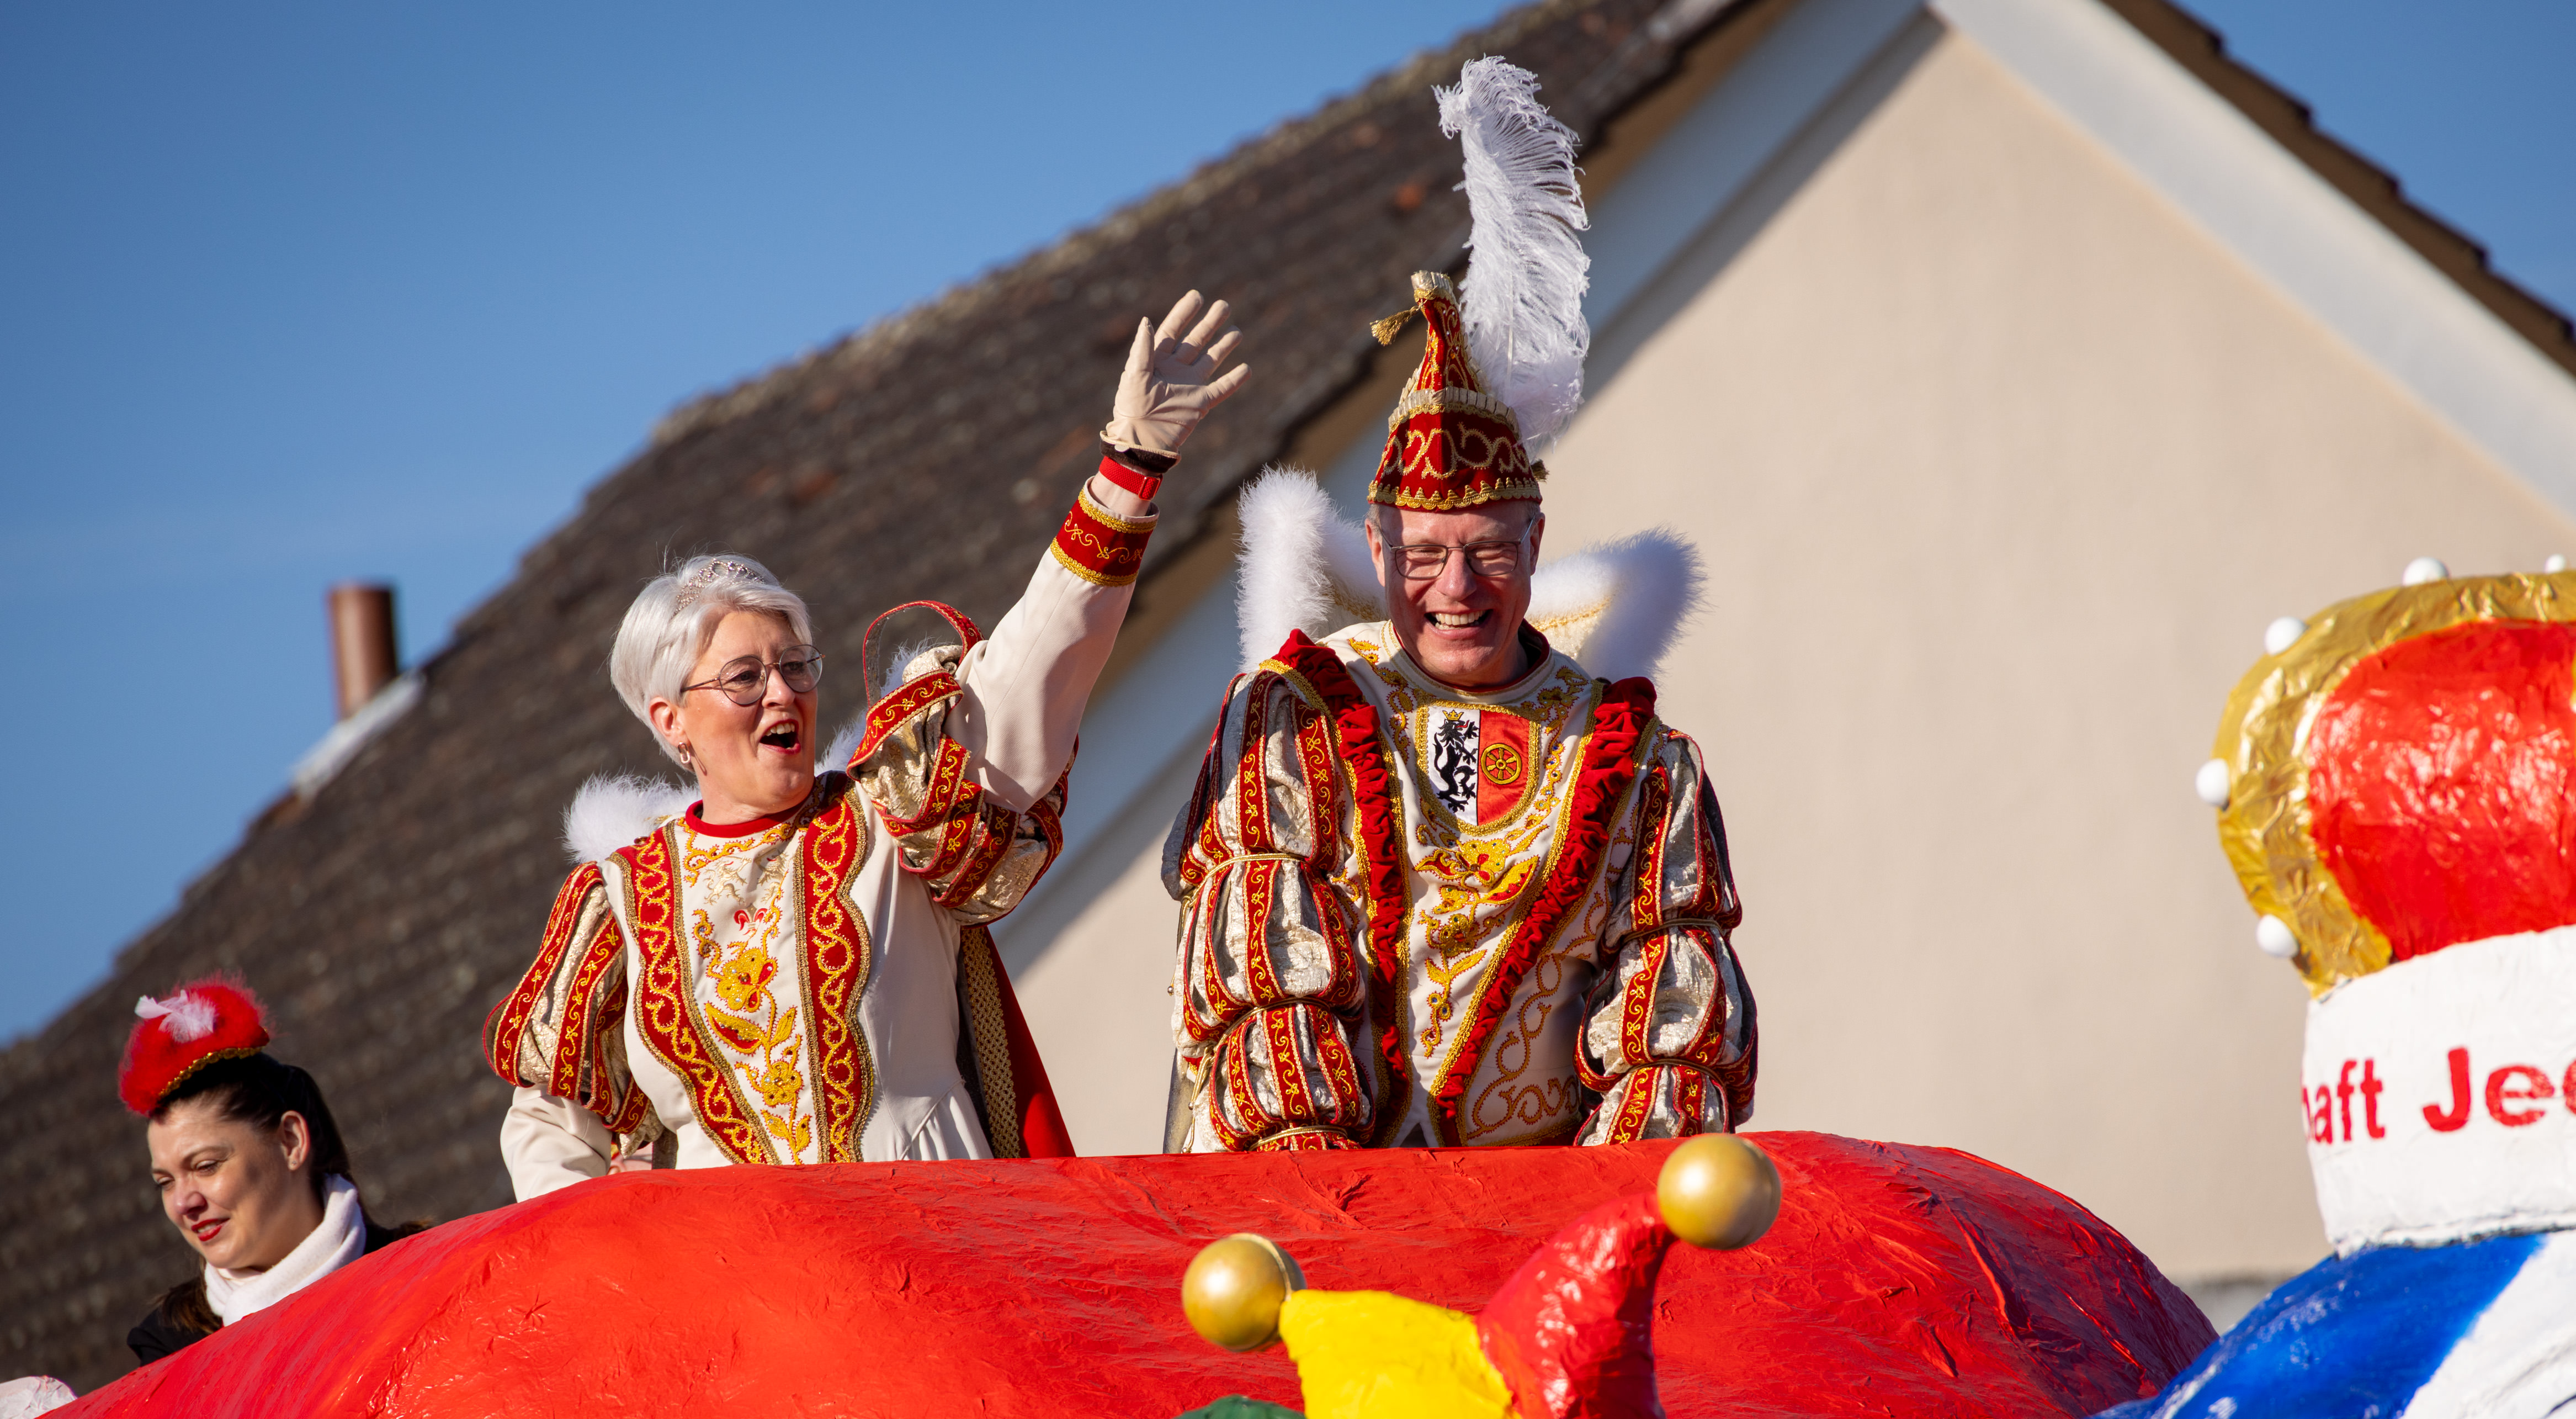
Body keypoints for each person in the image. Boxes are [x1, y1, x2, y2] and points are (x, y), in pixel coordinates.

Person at [487, 290, 1248, 1195]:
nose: (783, 693)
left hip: (937, 1243)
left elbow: (1027, 676)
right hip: (738, 1277)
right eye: (745, 677)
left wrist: (1128, 470)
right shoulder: (617, 901)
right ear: (670, 721)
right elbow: (551, 1126)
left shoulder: (892, 812)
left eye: (795, 666)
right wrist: (597, 1268)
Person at [1162, 60, 1754, 1152]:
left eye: (1486, 552)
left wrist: (1609, 1202)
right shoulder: (1296, 715)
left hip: (1538, 1220)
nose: (1455, 588)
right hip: (1322, 1208)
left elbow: (1670, 1000)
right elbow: (1263, 965)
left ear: (1533, 546)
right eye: (1424, 555)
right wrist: (1327, 1189)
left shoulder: (1641, 759)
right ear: (1377, 550)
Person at [122, 979, 420, 1363]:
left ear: (291, 1142)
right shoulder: (169, 1350)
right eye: (165, 1182)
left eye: (206, 1166)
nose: (183, 1203)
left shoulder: (425, 1273)